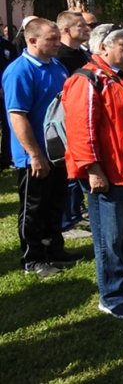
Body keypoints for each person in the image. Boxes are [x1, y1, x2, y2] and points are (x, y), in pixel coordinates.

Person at [63, 24, 123, 317]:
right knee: (110, 238)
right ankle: (111, 295)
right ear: (102, 47)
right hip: (110, 173)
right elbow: (81, 131)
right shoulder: (88, 80)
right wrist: (92, 169)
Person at [3, 18, 82, 279]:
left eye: (58, 38)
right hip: (34, 155)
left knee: (55, 203)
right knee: (33, 209)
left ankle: (53, 248)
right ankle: (33, 259)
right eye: (51, 39)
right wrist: (34, 154)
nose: (58, 43)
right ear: (32, 40)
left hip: (59, 151)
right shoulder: (20, 71)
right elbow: (17, 116)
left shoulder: (57, 66)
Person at [54, 10, 92, 232]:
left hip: (83, 119)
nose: (87, 29)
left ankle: (77, 213)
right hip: (68, 120)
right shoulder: (61, 57)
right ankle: (67, 222)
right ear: (66, 30)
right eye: (81, 26)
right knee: (70, 172)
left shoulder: (82, 54)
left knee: (80, 170)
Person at [0, 26, 20, 169]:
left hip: (7, 91)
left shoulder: (8, 45)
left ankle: (6, 158)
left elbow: (13, 64)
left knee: (8, 125)